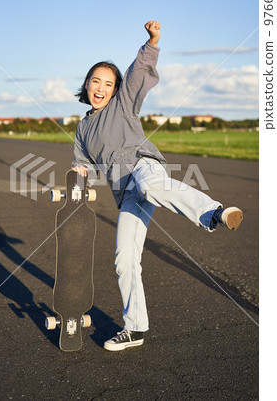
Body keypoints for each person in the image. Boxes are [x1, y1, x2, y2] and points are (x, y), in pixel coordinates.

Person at [72, 21, 243, 352]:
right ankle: (134, 328)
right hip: (125, 193)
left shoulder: (123, 105)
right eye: (96, 81)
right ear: (87, 84)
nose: (101, 87)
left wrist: (152, 41)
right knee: (124, 259)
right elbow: (86, 165)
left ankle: (215, 212)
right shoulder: (83, 128)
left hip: (143, 167)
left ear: (115, 89)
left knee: (151, 187)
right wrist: (79, 173)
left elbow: (138, 73)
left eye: (108, 83)